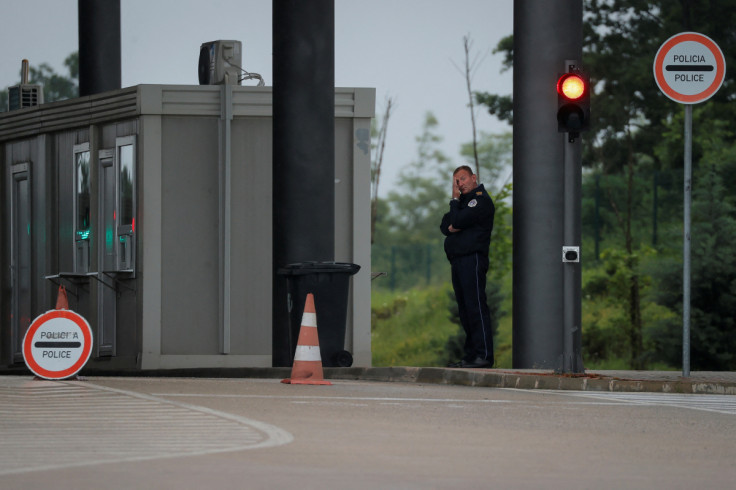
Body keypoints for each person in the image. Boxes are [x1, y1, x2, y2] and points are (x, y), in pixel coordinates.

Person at [440, 165, 495, 368]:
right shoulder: (463, 203)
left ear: (473, 178)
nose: (459, 184)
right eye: (456, 181)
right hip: (458, 260)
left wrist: (455, 206)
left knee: (475, 307)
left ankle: (484, 355)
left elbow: (457, 220)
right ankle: (471, 355)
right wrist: (456, 218)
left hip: (472, 259)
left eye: (462, 179)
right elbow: (445, 225)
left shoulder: (479, 200)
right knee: (464, 310)